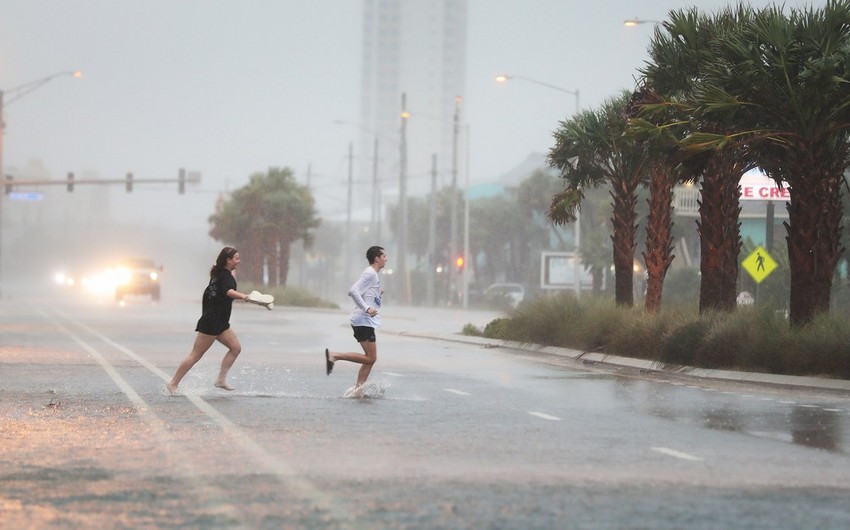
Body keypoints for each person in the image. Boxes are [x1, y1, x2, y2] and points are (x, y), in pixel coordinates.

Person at [167, 246, 254, 394]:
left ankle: (220, 380)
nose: (239, 261)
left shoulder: (218, 273)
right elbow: (229, 292)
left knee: (235, 348)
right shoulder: (226, 276)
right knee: (195, 356)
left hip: (220, 323)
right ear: (228, 260)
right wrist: (245, 296)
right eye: (236, 259)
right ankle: (173, 384)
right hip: (211, 323)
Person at [325, 245, 387, 396]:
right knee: (371, 357)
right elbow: (353, 291)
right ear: (377, 258)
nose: (386, 259)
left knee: (370, 359)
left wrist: (377, 294)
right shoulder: (370, 273)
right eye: (384, 256)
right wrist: (367, 309)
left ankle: (358, 389)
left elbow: (365, 294)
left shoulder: (373, 274)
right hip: (363, 320)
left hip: (364, 321)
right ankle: (334, 356)